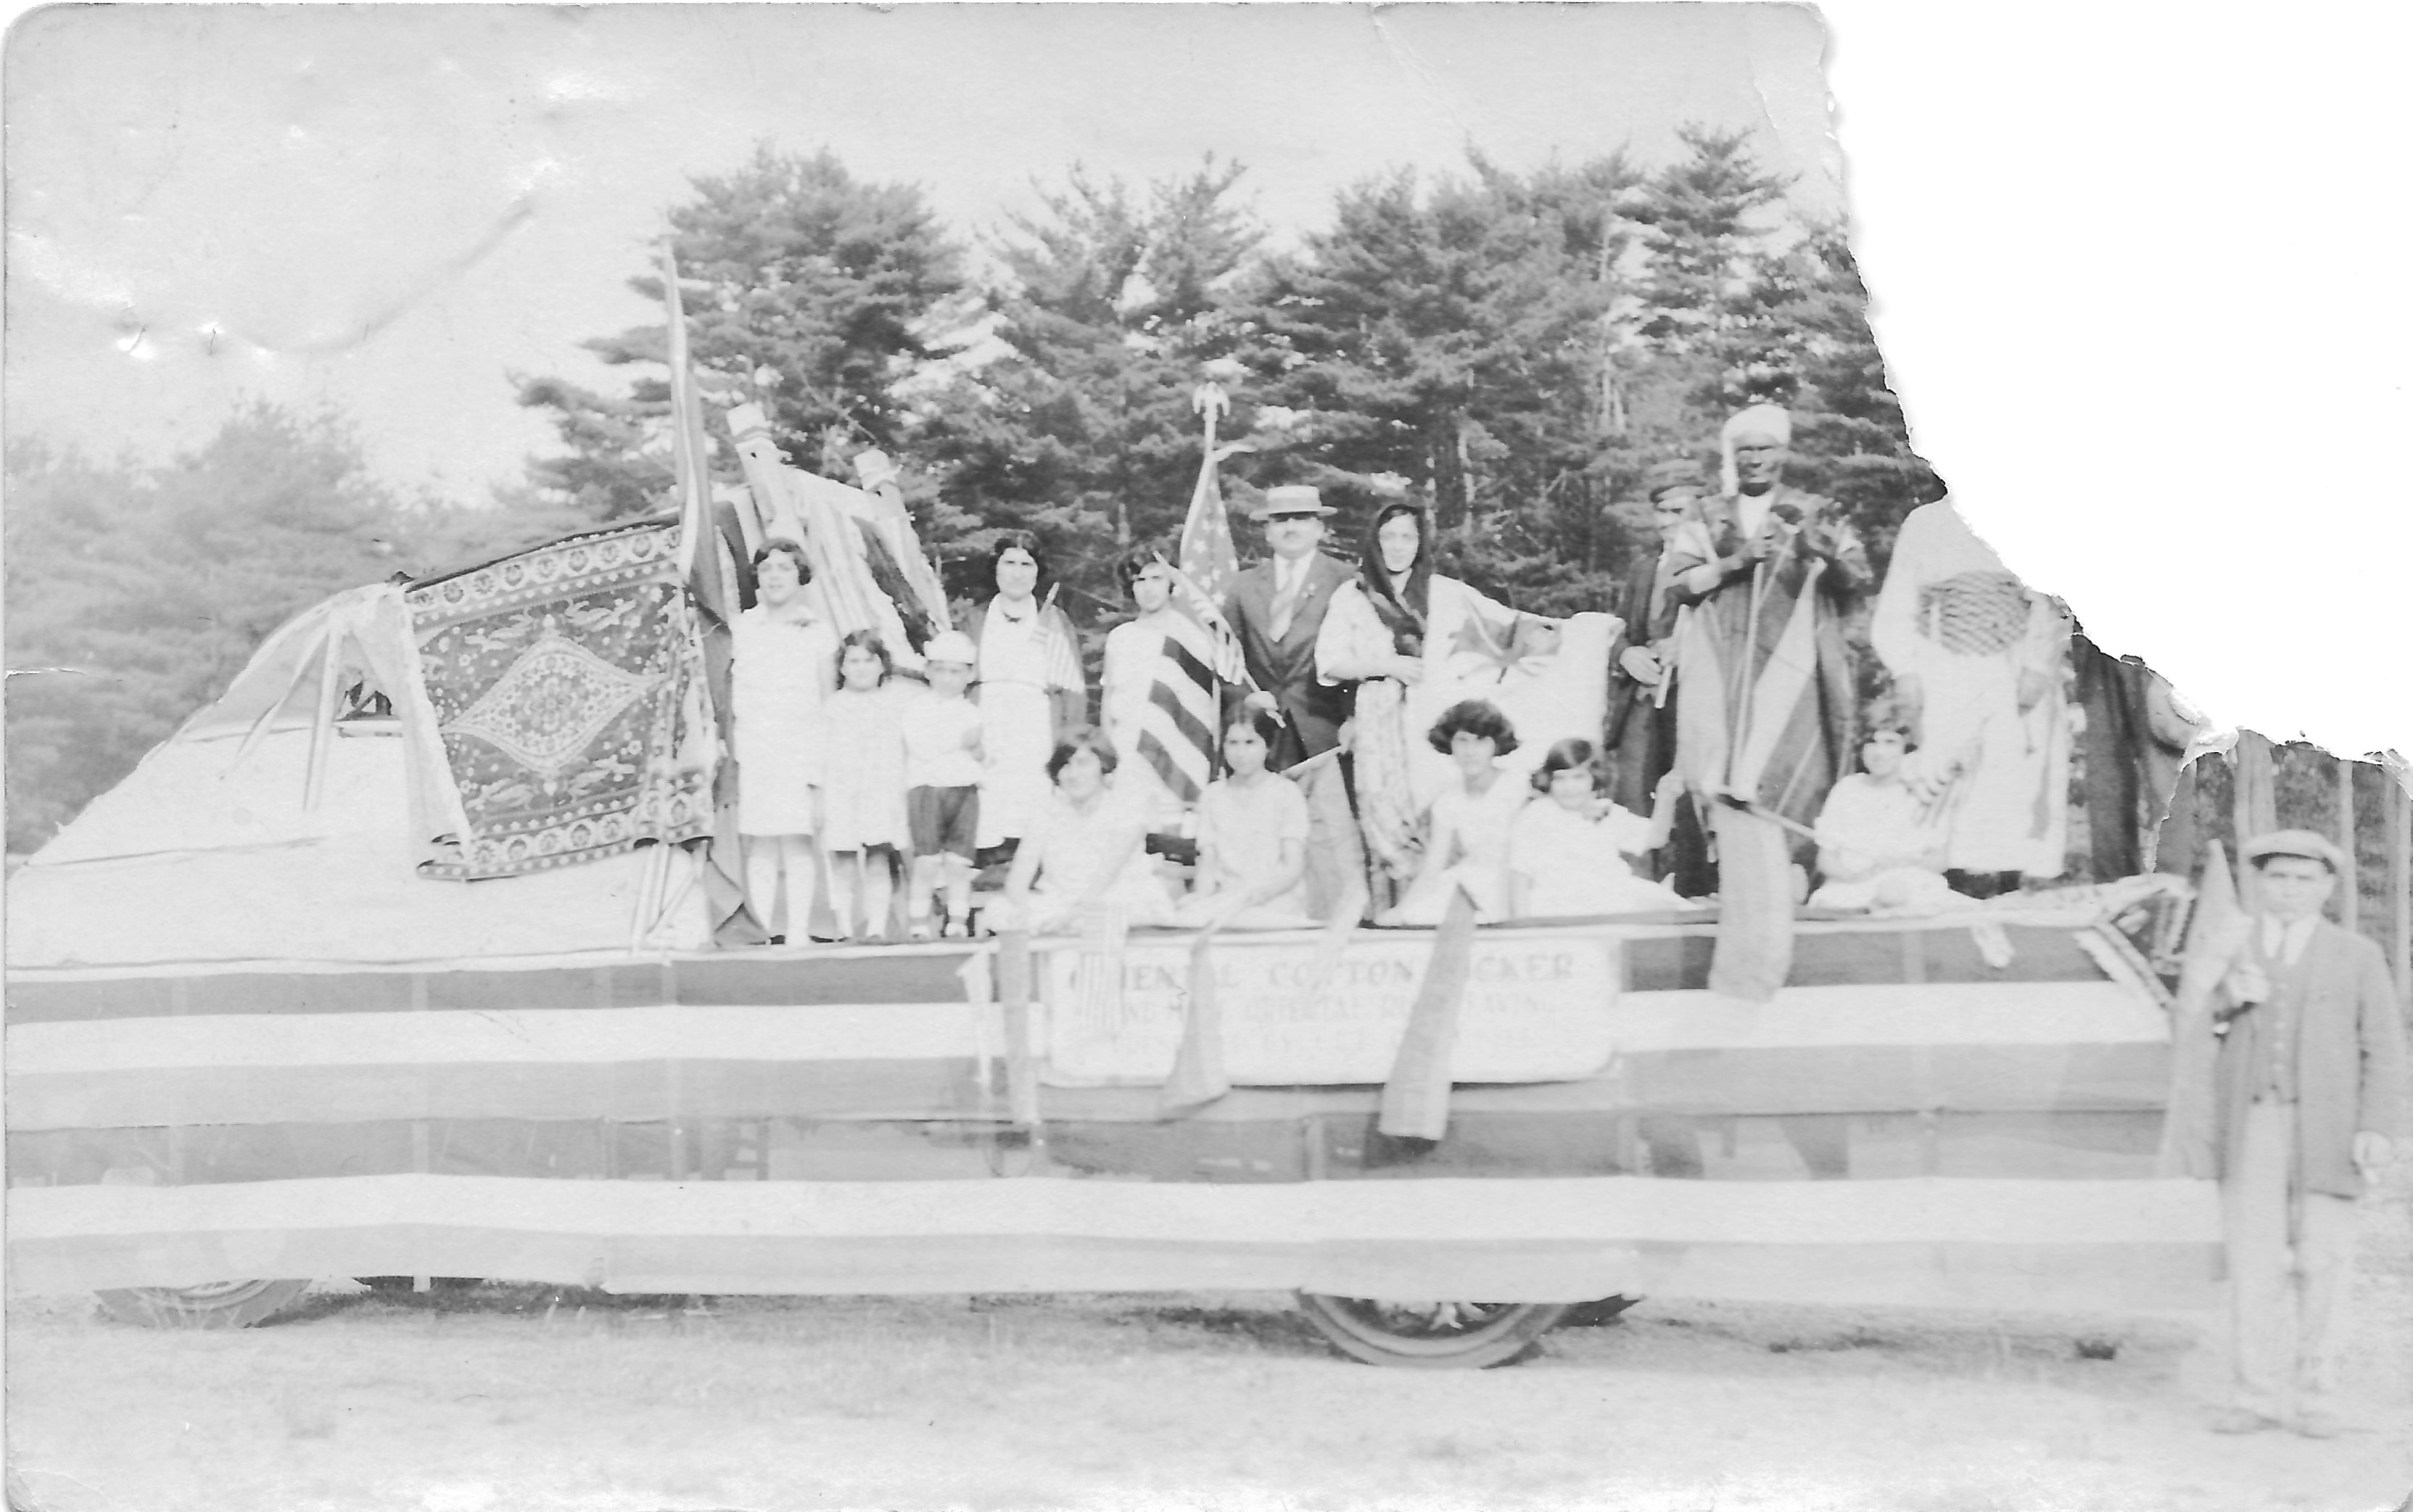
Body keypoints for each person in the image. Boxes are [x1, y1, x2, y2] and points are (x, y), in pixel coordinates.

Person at [1666, 402, 1873, 999]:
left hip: (1795, 675)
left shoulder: (1815, 509)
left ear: (1783, 452)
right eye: (1745, 450)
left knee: (1792, 781)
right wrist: (1735, 562)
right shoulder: (1706, 513)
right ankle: (1742, 938)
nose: (1755, 459)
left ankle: (1800, 934)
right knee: (1728, 787)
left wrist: (1823, 552)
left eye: (1766, 449)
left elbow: (1856, 577)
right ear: (1733, 457)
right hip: (1725, 671)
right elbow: (1677, 582)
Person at [2206, 830, 2406, 1439]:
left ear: (2325, 886)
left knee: (2325, 1260)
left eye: (2303, 879)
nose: (2289, 890)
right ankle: (2255, 1394)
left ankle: (2316, 1395)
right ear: (2259, 884)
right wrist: (2223, 1002)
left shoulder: (2357, 954)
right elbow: (2189, 1031)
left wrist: (2375, 1126)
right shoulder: (2228, 949)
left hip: (2330, 1127)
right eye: (2278, 878)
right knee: (2254, 1260)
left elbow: (2384, 1049)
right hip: (2253, 1126)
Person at [1314, 499, 1534, 901]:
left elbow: (1505, 629)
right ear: (1375, 543)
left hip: (1434, 713)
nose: (1398, 547)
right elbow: (1329, 663)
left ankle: (1440, 898)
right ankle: (1396, 907)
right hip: (1380, 714)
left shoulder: (1445, 593)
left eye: (1407, 537)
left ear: (1421, 543)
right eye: (1389, 538)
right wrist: (1387, 665)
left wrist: (1587, 633)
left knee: (1435, 801)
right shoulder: (1355, 595)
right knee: (1383, 808)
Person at [1869, 495, 2074, 897]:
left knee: (2011, 775)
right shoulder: (1925, 522)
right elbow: (1899, 602)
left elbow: (2050, 607)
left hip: (2014, 668)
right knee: (1951, 772)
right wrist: (1905, 670)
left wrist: (2037, 664)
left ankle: (2010, 885)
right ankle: (1957, 886)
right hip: (1946, 667)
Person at [1221, 484, 1362, 919]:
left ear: (1319, 527)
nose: (1292, 527)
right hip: (1265, 731)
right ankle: (1277, 914)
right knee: (1271, 830)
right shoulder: (1243, 586)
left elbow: (1360, 650)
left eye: (1302, 518)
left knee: (1333, 830)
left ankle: (1341, 913)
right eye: (1281, 520)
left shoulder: (1345, 580)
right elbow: (1226, 659)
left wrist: (1355, 715)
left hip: (1327, 726)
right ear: (1267, 531)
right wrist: (1248, 700)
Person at [1602, 459, 1715, 896]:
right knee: (1635, 794)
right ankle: (1638, 889)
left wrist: (1688, 651)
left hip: (1697, 703)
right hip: (1644, 706)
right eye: (1661, 512)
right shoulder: (1643, 569)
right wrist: (1626, 654)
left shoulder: (1716, 567)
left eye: (1679, 512)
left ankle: (1693, 890)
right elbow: (1619, 629)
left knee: (1689, 797)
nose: (1667, 522)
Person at [730, 538, 838, 943]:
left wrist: (823, 759)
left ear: (800, 575)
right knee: (760, 842)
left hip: (800, 745)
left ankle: (797, 933)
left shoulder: (818, 630)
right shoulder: (743, 627)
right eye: (767, 569)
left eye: (784, 568)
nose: (775, 577)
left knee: (797, 840)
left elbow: (827, 699)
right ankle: (763, 932)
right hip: (756, 744)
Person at [965, 532, 1086, 859]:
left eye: (1026, 564)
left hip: (1035, 725)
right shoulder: (975, 619)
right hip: (988, 722)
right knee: (988, 803)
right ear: (996, 569)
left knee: (1033, 807)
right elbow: (957, 681)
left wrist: (1068, 744)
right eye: (1009, 563)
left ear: (1037, 571)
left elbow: (1072, 688)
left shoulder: (1055, 620)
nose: (1017, 573)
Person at [998, 730, 1176, 935]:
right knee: (1001, 910)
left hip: (1114, 901)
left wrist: (1066, 920)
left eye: (1083, 763)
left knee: (1102, 917)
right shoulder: (1045, 813)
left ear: (1103, 765)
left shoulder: (1127, 810)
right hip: (1060, 903)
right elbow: (1018, 878)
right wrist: (1023, 910)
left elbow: (1102, 882)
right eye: (1065, 764)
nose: (1074, 774)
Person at [1380, 700, 1530, 927]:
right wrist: (1401, 910)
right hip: (1474, 880)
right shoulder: (1448, 800)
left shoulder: (1517, 786)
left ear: (1496, 745)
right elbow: (1433, 868)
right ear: (1450, 744)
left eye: (1480, 741)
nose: (1470, 752)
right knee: (1418, 916)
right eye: (1462, 741)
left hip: (1518, 881)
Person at [1506, 738, 1692, 920]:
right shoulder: (1538, 815)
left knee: (1680, 912)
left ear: (1595, 778)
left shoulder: (1605, 811)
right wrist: (1522, 925)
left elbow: (1655, 839)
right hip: (1559, 907)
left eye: (1578, 777)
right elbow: (1519, 875)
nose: (1569, 787)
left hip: (1610, 899)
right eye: (1560, 779)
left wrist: (1665, 798)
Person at [1807, 706, 1961, 914]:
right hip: (1854, 884)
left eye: (1890, 742)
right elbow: (1826, 859)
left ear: (1906, 748)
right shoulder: (1847, 789)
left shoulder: (1923, 792)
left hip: (1909, 882)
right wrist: (1853, 876)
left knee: (1894, 895)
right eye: (1871, 742)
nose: (1879, 753)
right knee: (1832, 903)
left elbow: (1940, 859)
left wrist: (1901, 865)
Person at [1177, 706, 1315, 930]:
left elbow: (1293, 867)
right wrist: (1202, 897)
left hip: (1274, 900)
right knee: (1184, 918)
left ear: (1267, 746)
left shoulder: (1286, 793)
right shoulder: (1213, 795)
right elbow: (1208, 863)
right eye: (1233, 743)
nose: (1241, 753)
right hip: (1228, 899)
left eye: (1250, 743)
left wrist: (1257, 895)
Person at [814, 630, 909, 941]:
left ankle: (877, 927)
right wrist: (821, 798)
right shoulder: (833, 707)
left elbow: (902, 754)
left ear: (882, 665)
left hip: (880, 791)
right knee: (843, 863)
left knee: (878, 860)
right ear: (842, 668)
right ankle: (842, 927)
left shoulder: (893, 705)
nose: (861, 668)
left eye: (869, 660)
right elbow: (821, 756)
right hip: (842, 791)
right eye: (853, 661)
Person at [1099, 543, 1192, 830]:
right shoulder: (1120, 637)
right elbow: (1108, 704)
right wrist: (1107, 759)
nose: (1148, 588)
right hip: (1128, 749)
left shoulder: (1188, 636)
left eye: (1156, 578)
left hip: (1174, 750)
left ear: (1171, 582)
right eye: (1139, 580)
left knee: (1172, 831)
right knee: (1128, 830)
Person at [900, 629, 983, 941]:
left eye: (956, 672)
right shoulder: (916, 709)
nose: (948, 679)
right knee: (927, 862)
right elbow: (922, 747)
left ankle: (958, 920)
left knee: (959, 863)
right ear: (928, 671)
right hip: (928, 790)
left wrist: (976, 749)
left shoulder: (973, 711)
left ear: (969, 674)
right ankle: (919, 922)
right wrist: (961, 743)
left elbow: (983, 757)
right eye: (942, 670)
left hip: (964, 790)